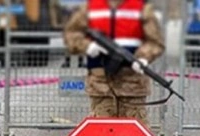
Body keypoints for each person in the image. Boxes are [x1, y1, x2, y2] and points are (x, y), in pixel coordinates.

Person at [63, 0, 165, 128]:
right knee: (101, 135)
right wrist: (87, 46)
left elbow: (155, 42)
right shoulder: (90, 8)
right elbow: (71, 33)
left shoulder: (142, 9)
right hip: (101, 85)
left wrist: (143, 57)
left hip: (132, 84)